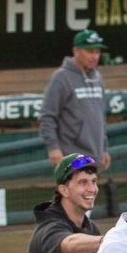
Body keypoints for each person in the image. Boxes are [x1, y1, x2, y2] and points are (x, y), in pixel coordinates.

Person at [40, 30, 111, 171]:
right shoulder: (61, 78)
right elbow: (47, 116)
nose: (95, 56)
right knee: (75, 191)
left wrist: (104, 147)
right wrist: (53, 148)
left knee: (90, 192)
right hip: (71, 156)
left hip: (94, 155)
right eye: (90, 51)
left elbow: (99, 117)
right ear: (76, 51)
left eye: (97, 52)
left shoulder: (98, 77)